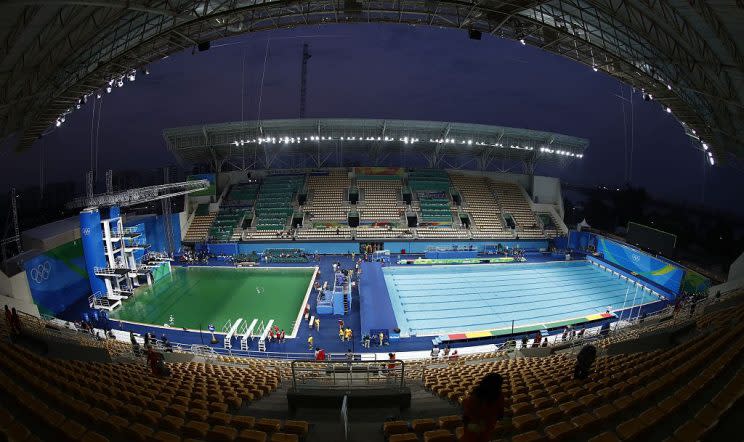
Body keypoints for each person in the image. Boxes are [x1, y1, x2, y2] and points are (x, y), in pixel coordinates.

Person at [461, 373, 504, 442]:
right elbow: (500, 413)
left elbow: (468, 413)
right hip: (489, 425)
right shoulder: (499, 396)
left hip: (474, 425)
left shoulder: (475, 397)